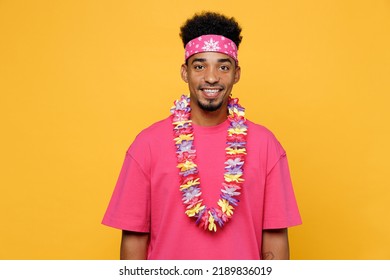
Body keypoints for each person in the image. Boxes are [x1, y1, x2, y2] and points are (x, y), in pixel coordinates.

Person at [102, 11, 302, 260]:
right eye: (200, 66)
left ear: (236, 74)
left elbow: (274, 239)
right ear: (185, 72)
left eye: (223, 66)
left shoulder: (266, 146)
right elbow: (134, 239)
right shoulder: (147, 145)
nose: (211, 77)